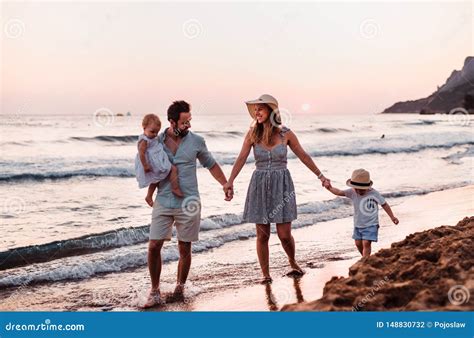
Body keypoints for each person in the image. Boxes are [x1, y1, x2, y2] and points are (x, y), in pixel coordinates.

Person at [224, 94, 331, 284]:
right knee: (262, 234)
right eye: (255, 110)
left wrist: (320, 176)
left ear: (271, 111)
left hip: (282, 184)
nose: (257, 113)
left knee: (284, 235)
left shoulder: (286, 134)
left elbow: (303, 156)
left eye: (261, 109)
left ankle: (292, 261)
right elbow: (241, 158)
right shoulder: (252, 134)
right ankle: (265, 274)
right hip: (259, 184)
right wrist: (230, 181)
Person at [143, 101, 232, 308]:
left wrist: (225, 184)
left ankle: (179, 288)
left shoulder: (197, 141)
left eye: (189, 121)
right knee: (154, 245)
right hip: (163, 200)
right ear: (172, 121)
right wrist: (149, 192)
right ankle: (155, 291)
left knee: (185, 247)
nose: (188, 126)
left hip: (189, 200)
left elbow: (211, 165)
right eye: (184, 122)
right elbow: (151, 168)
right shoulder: (157, 141)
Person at [324, 168, 399, 259]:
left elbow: (384, 204)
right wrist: (329, 188)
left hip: (371, 224)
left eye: (362, 190)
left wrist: (392, 217)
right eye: (357, 189)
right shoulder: (352, 192)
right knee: (358, 243)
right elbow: (339, 192)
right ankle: (366, 259)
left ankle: (365, 261)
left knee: (366, 243)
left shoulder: (374, 193)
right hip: (358, 224)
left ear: (367, 187)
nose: (359, 191)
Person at [135, 114, 183, 207]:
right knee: (170, 170)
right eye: (152, 131)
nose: (155, 135)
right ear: (144, 128)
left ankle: (150, 196)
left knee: (158, 178)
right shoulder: (144, 140)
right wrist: (145, 166)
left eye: (157, 132)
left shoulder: (152, 137)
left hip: (157, 160)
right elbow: (141, 153)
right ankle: (175, 188)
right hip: (151, 163)